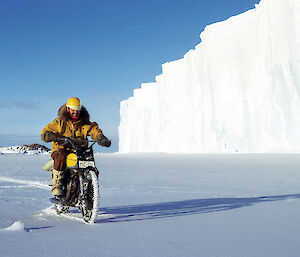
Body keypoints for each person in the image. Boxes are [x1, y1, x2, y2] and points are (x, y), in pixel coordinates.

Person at [41, 97, 111, 197]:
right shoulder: (59, 122)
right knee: (60, 156)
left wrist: (101, 138)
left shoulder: (86, 123)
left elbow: (95, 131)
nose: (75, 112)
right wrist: (49, 135)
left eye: (77, 110)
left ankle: (91, 193)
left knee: (91, 167)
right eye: (73, 110)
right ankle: (58, 186)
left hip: (80, 150)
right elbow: (46, 131)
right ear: (68, 109)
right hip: (63, 149)